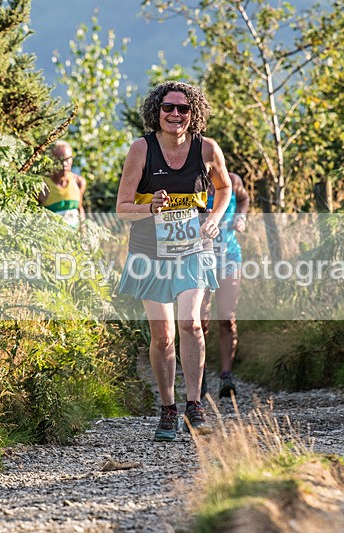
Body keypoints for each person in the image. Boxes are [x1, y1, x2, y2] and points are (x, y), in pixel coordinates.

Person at [115, 81, 232, 441]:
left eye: (183, 109)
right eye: (169, 107)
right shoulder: (142, 149)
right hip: (150, 253)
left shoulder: (207, 149)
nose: (175, 114)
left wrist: (213, 219)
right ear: (157, 112)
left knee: (191, 324)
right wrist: (149, 206)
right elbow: (122, 208)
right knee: (163, 336)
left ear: (193, 114)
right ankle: (168, 410)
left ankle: (194, 406)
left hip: (193, 249)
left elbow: (224, 188)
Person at [200, 172, 249, 399]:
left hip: (229, 258)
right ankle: (198, 378)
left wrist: (241, 217)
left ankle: (226, 376)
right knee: (200, 321)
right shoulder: (192, 180)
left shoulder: (232, 180)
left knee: (227, 319)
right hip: (199, 258)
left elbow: (243, 198)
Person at [38, 140, 86, 227]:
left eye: (67, 160)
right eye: (59, 160)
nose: (64, 164)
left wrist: (85, 237)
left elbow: (80, 210)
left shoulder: (78, 182)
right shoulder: (41, 186)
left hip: (75, 239)